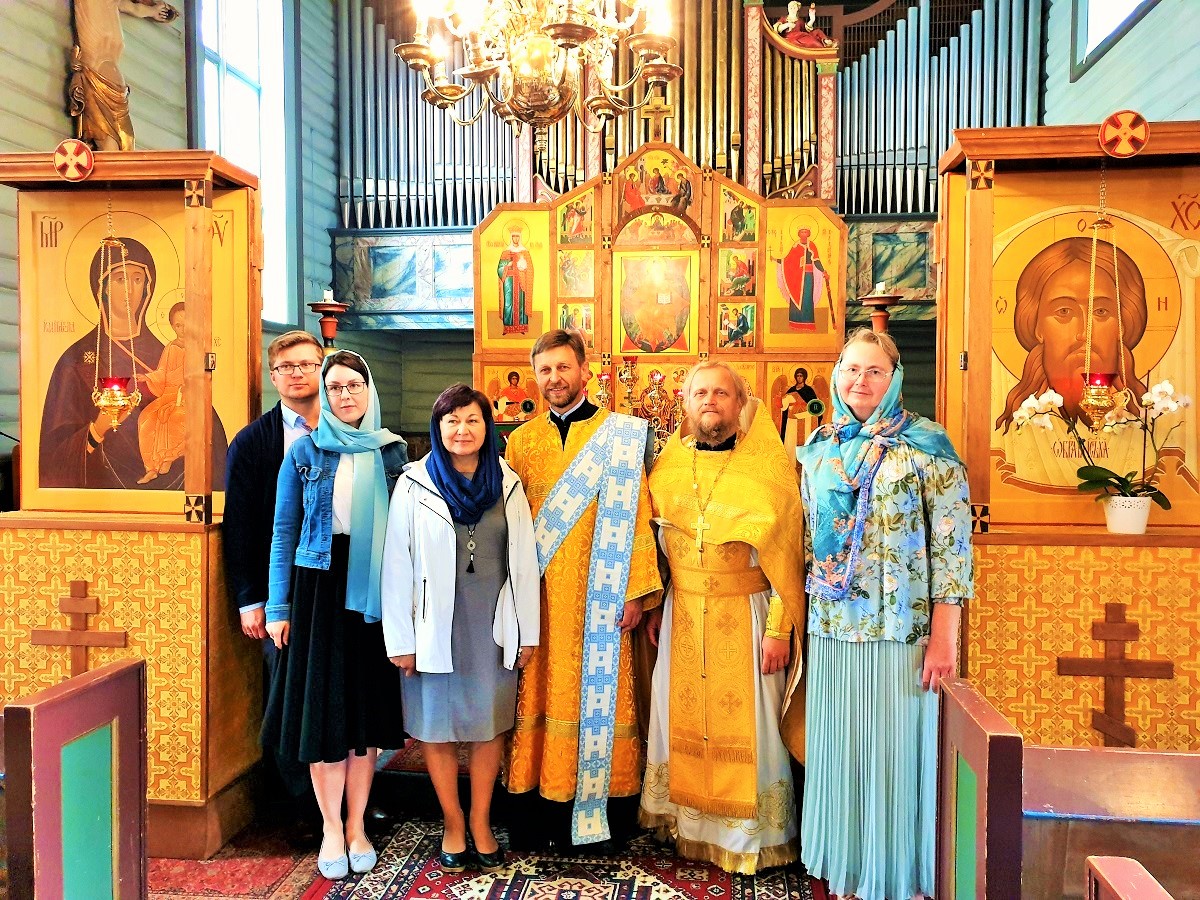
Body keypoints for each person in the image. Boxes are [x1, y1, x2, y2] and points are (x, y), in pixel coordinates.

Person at [797, 329, 973, 900]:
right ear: (836, 375)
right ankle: (848, 868)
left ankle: (896, 875)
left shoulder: (927, 446)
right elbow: (807, 541)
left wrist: (944, 637)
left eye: (874, 370)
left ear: (895, 378)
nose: (860, 381)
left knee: (893, 756)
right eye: (851, 369)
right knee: (842, 752)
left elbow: (952, 548)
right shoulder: (820, 448)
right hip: (833, 628)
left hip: (901, 629)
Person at [640, 361, 805, 874]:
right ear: (686, 404)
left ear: (741, 402)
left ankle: (751, 837)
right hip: (683, 615)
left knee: (755, 728)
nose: (709, 401)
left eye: (721, 393)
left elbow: (790, 556)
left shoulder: (768, 468)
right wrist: (657, 603)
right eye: (700, 393)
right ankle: (688, 826)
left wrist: (779, 629)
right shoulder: (667, 468)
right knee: (680, 717)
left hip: (748, 613)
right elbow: (657, 545)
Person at [504, 329, 662, 849]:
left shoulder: (623, 435)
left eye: (563, 367)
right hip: (540, 598)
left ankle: (603, 815)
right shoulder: (521, 442)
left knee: (602, 700)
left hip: (604, 595)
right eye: (545, 370)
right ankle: (540, 814)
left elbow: (640, 517)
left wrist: (637, 592)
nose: (554, 378)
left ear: (584, 370)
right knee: (539, 691)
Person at [262, 350, 408, 881]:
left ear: (370, 390)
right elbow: (283, 532)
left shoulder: (393, 452)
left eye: (354, 385)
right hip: (319, 587)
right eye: (336, 387)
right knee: (323, 715)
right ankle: (329, 827)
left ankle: (356, 825)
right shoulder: (305, 450)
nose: (345, 395)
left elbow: (407, 532)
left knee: (363, 717)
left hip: (373, 589)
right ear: (324, 396)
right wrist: (278, 606)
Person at [381, 384, 540, 873]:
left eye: (472, 420)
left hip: (492, 624)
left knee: (489, 725)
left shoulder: (508, 483)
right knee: (437, 726)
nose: (462, 430)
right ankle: (452, 822)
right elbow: (397, 564)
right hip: (433, 624)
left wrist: (528, 631)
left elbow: (524, 563)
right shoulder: (414, 484)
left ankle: (481, 821)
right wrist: (401, 640)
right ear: (438, 428)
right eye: (451, 421)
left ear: (487, 426)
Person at [223, 330, 324, 816]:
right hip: (278, 586)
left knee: (335, 687)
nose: (297, 374)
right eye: (286, 367)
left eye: (306, 364)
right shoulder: (252, 442)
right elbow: (240, 525)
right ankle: (298, 804)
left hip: (335, 582)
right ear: (273, 376)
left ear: (322, 367)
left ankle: (349, 799)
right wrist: (251, 599)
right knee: (287, 693)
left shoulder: (347, 428)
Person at [40, 236, 228, 490]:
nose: (129, 290)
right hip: (102, 495)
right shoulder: (75, 360)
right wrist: (97, 430)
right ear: (103, 287)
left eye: (137, 279)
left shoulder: (168, 352)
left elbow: (209, 433)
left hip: (170, 493)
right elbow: (54, 458)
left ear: (147, 287)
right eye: (120, 279)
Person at [134, 301, 187, 483]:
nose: (183, 329)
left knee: (175, 418)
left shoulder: (198, 348)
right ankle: (151, 468)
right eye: (178, 325)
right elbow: (162, 372)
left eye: (186, 324)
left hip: (186, 396)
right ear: (172, 326)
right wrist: (147, 377)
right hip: (167, 395)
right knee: (146, 419)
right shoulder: (170, 347)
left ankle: (168, 457)